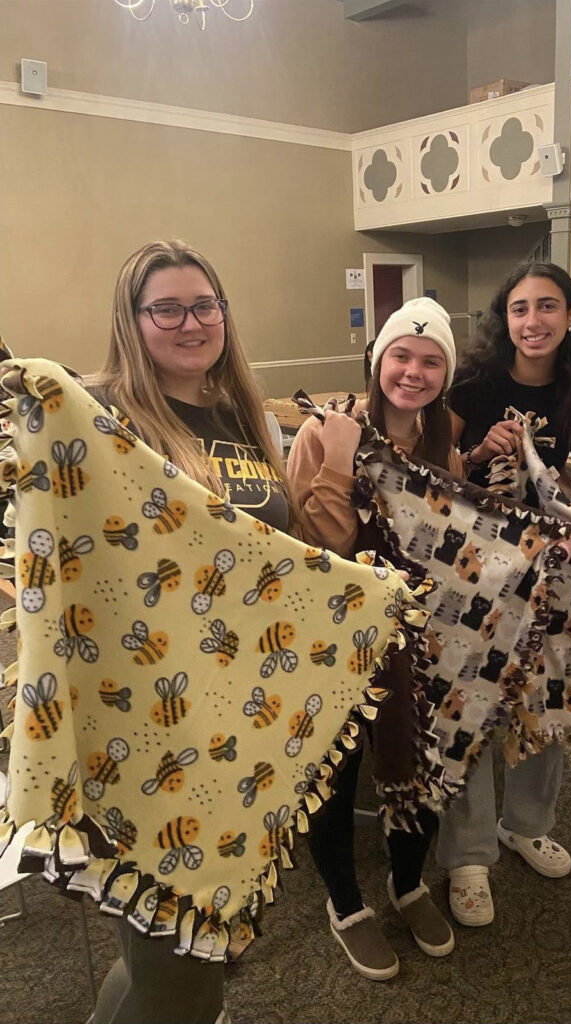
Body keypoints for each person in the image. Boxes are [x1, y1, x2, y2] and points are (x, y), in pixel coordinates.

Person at [86, 239, 297, 1024]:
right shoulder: (106, 415)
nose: (189, 322)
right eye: (166, 308)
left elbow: (279, 552)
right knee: (180, 959)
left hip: (239, 717)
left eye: (203, 305)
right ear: (132, 319)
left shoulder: (241, 411)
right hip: (149, 724)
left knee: (165, 947)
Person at [287, 296, 461, 980]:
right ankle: (346, 903)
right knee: (335, 772)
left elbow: (457, 539)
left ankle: (407, 882)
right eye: (400, 355)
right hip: (334, 636)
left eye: (429, 361)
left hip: (420, 638)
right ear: (376, 359)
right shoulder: (326, 430)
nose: (411, 372)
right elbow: (317, 542)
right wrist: (336, 460)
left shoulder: (444, 435)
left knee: (420, 763)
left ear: (443, 373)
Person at [437, 262, 571, 926]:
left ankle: (525, 822)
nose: (532, 321)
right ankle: (468, 853)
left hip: (554, 574)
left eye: (546, 307)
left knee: (545, 703)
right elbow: (430, 468)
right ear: (504, 319)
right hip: (475, 573)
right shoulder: (471, 385)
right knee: (469, 707)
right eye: (519, 309)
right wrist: (474, 456)